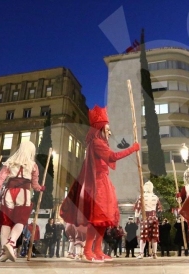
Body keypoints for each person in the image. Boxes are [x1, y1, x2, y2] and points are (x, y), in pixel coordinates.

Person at [60, 105, 140, 263]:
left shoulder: (100, 142)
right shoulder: (97, 142)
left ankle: (97, 250)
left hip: (103, 182)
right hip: (98, 184)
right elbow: (112, 157)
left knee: (103, 220)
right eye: (107, 128)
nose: (110, 132)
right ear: (101, 128)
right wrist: (133, 149)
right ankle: (88, 250)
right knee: (97, 218)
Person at [0, 141, 45, 262]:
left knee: (6, 221)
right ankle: (11, 243)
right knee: (21, 220)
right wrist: (40, 188)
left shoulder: (10, 162)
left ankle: (4, 250)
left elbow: (0, 178)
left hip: (8, 191)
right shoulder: (33, 165)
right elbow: (35, 184)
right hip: (23, 193)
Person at [135, 181, 162, 259]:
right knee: (154, 237)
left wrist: (136, 217)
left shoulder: (142, 197)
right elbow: (159, 209)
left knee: (143, 237)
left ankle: (141, 253)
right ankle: (154, 254)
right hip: (154, 218)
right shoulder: (155, 197)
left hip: (145, 218)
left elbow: (137, 209)